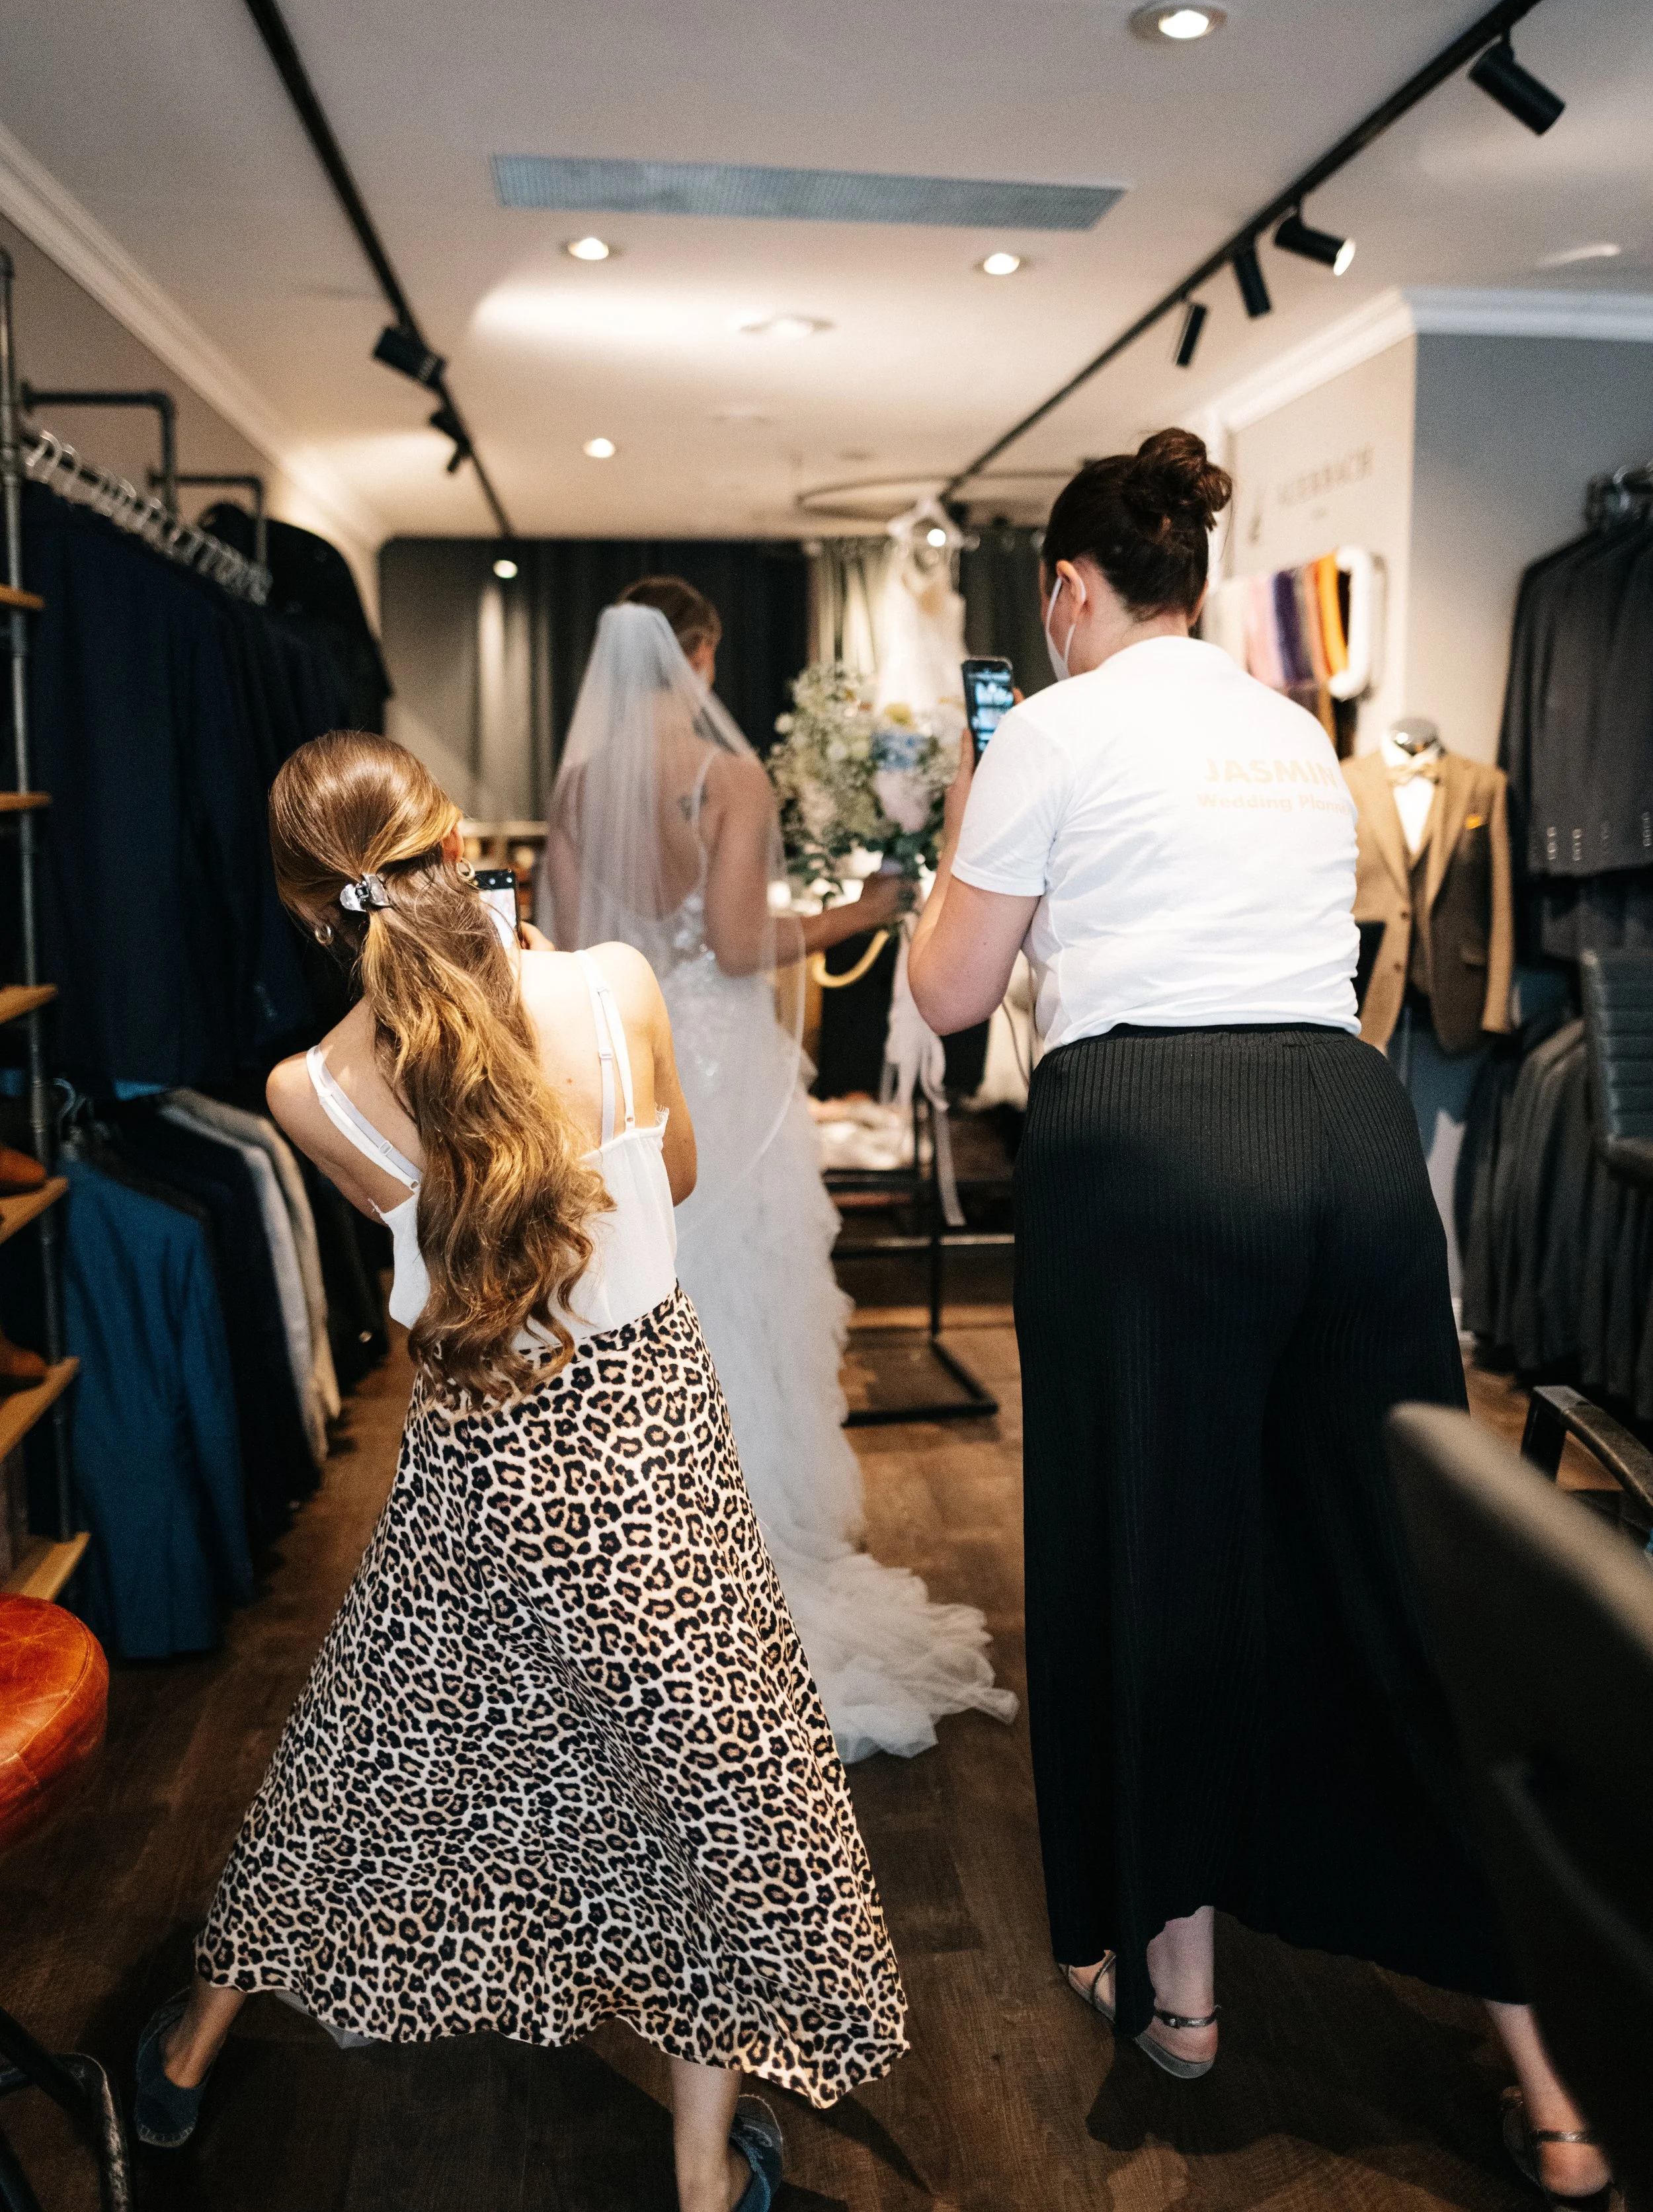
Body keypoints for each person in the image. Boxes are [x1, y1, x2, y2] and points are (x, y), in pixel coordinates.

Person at [905, 432, 1612, 2206]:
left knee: (1156, 1550)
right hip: (1348, 1137)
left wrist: (970, 819)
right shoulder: (1289, 730)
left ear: (1068, 591)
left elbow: (944, 990)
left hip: (1148, 1145)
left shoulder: (1047, 728)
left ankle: (1189, 1997)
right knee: (1401, 1571)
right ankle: (1551, 2068)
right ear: (1194, 588)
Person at [134, 732, 906, 2212]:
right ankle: (696, 2174)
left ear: (316, 911)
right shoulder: (609, 986)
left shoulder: (307, 1090)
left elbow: (445, 1224)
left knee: (368, 1747)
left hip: (481, 1454)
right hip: (642, 1443)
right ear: (448, 837)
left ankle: (184, 2061)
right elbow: (664, 1176)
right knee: (709, 1779)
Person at [540, 584, 1017, 1762]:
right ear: (698, 654)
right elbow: (746, 942)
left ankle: (641, 1554)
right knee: (741, 1292)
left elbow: (555, 939)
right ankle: (744, 1549)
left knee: (647, 1292)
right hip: (719, 1060)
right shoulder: (727, 777)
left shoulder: (578, 786)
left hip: (618, 1063)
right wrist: (860, 913)